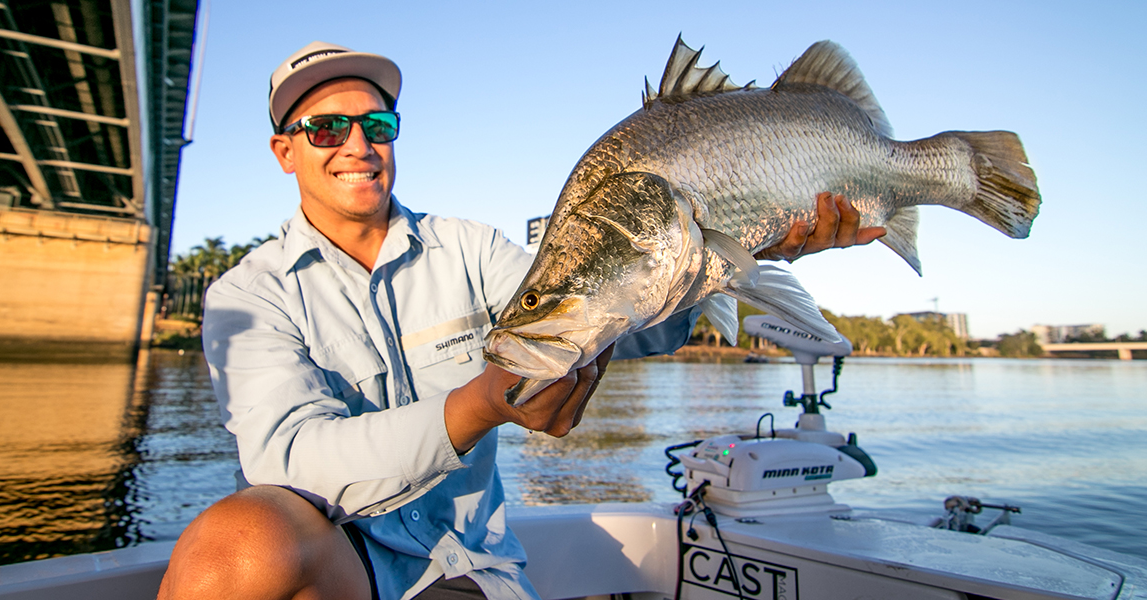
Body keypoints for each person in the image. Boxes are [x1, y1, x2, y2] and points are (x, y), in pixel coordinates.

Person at [156, 41, 885, 600]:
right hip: (346, 565)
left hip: (472, 565)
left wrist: (735, 249)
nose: (357, 144)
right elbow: (288, 461)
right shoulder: (244, 295)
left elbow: (618, 322)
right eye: (324, 129)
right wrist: (472, 409)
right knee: (237, 538)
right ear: (283, 150)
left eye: (376, 122)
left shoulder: (472, 248)